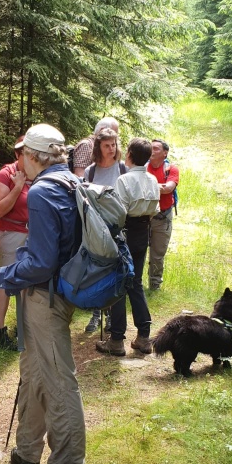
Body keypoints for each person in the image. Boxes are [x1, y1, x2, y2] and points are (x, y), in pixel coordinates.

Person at [0, 123, 87, 464]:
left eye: (23, 152)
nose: (19, 158)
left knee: (58, 382)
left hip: (45, 297)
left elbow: (41, 262)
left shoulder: (41, 191)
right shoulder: (71, 182)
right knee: (34, 370)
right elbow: (51, 248)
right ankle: (27, 453)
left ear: (35, 156)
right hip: (55, 293)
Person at [96, 138, 160, 357]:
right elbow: (155, 209)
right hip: (144, 232)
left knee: (119, 283)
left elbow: (119, 212)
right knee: (136, 283)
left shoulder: (124, 180)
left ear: (130, 154)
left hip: (125, 233)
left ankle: (116, 340)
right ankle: (144, 336)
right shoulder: (152, 179)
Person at [83, 126, 126, 333]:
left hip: (117, 229)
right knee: (95, 270)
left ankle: (110, 315)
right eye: (107, 145)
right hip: (95, 228)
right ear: (98, 147)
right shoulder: (90, 171)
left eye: (114, 144)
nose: (111, 148)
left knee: (113, 271)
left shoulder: (123, 169)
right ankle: (95, 313)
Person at [0, 136, 30, 349]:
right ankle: (0, 331)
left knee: (26, 282)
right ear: (17, 155)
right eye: (24, 153)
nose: (29, 156)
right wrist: (17, 187)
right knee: (5, 281)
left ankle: (22, 327)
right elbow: (0, 209)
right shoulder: (6, 174)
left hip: (32, 233)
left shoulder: (38, 173)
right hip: (11, 233)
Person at [146, 138, 179, 291]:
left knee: (157, 254)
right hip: (143, 218)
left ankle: (154, 285)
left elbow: (168, 188)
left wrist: (146, 185)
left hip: (162, 218)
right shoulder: (142, 167)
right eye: (150, 147)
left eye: (156, 148)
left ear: (165, 153)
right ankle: (134, 284)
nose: (152, 150)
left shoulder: (171, 169)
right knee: (136, 251)